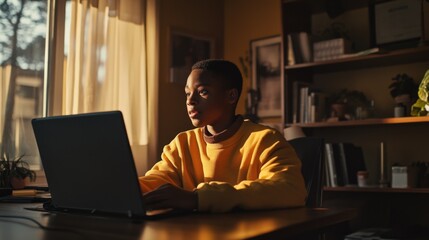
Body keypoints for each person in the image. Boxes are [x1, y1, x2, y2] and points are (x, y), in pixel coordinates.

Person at [139, 59, 306, 213]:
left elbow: (290, 188)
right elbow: (156, 181)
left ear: (231, 96)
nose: (190, 101)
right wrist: (124, 189)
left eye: (203, 91)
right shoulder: (182, 143)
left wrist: (197, 198)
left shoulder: (265, 140)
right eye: (187, 93)